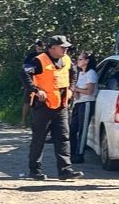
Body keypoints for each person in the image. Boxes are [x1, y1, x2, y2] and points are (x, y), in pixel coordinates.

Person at [22, 35, 82, 182]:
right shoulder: (39, 60)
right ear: (52, 48)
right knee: (39, 138)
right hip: (43, 106)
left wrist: (71, 88)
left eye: (66, 47)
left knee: (63, 138)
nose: (66, 49)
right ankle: (35, 170)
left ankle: (65, 170)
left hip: (61, 105)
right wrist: (35, 90)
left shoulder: (66, 60)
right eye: (63, 47)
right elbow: (24, 74)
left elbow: (73, 72)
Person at [69, 52, 98, 164]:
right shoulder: (80, 73)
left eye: (80, 59)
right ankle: (72, 152)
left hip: (87, 103)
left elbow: (90, 91)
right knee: (73, 129)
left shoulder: (91, 73)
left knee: (83, 129)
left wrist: (76, 90)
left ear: (87, 61)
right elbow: (77, 89)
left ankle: (79, 154)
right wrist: (75, 91)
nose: (78, 61)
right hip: (78, 102)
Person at [21, 40, 46, 126]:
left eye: (42, 48)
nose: (40, 49)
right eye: (39, 48)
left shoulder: (47, 56)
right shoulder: (31, 56)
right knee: (27, 101)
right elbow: (25, 70)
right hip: (32, 82)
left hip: (44, 82)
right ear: (36, 47)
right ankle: (23, 121)